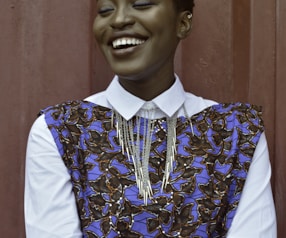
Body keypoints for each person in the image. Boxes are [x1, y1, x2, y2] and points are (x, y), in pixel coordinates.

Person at [24, 0, 277, 237]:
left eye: (142, 3)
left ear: (183, 23)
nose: (119, 19)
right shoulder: (60, 130)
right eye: (105, 9)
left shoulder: (236, 133)